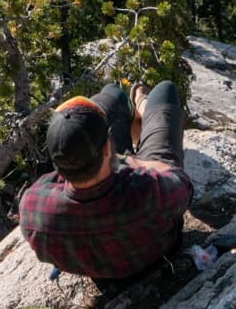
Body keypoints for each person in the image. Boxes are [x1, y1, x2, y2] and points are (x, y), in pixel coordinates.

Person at [19, 78, 192, 282]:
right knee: (164, 91)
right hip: (153, 253)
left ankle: (133, 112)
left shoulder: (32, 208)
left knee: (113, 93)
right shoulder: (147, 193)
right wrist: (128, 161)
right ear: (108, 149)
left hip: (97, 269)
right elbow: (181, 182)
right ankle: (141, 105)